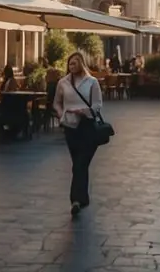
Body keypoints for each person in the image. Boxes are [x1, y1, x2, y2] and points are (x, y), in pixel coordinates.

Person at [52, 52, 104, 217]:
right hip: (70, 126)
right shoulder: (63, 83)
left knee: (81, 163)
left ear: (81, 64)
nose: (71, 66)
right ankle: (83, 198)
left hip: (87, 126)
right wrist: (61, 115)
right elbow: (57, 102)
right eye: (69, 64)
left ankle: (75, 200)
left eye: (74, 63)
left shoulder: (92, 82)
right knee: (78, 162)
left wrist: (85, 111)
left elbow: (97, 104)